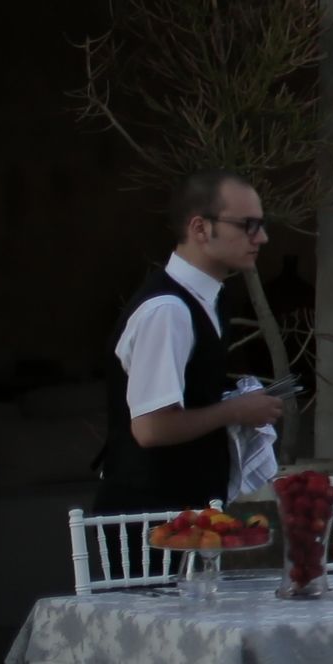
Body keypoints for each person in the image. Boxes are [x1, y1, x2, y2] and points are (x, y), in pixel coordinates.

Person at [95, 169, 293, 516]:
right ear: (200, 228)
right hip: (147, 521)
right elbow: (151, 428)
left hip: (186, 511)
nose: (260, 238)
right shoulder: (167, 310)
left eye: (262, 224)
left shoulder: (210, 299)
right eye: (247, 225)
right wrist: (237, 410)